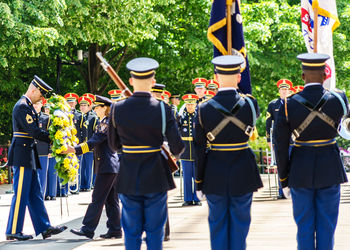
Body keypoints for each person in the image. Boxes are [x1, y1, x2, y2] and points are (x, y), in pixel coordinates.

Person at [108, 57, 184, 250]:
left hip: (128, 174)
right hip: (156, 175)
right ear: (153, 80)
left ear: (131, 80)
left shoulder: (117, 108)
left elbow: (113, 145)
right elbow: (177, 146)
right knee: (155, 231)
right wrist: (173, 155)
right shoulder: (162, 108)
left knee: (131, 232)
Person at [274, 53, 349, 250]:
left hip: (300, 170)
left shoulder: (288, 104)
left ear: (302, 77)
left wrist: (284, 179)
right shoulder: (339, 99)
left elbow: (280, 145)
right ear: (325, 75)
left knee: (304, 227)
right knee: (327, 226)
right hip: (330, 167)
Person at [194, 55, 263, 250]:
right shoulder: (251, 103)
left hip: (214, 170)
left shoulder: (203, 108)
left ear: (215, 78)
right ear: (239, 78)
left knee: (217, 225)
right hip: (243, 169)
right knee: (241, 224)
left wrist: (198, 181)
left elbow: (199, 148)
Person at [6, 75, 67, 241]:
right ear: (33, 90)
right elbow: (34, 131)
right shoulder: (22, 106)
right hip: (23, 153)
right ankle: (13, 229)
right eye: (41, 95)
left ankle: (44, 227)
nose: (41, 99)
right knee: (21, 194)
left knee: (35, 193)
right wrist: (55, 138)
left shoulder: (28, 106)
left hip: (28, 153)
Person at [68, 95, 122, 239]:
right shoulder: (104, 122)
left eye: (98, 107)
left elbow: (93, 141)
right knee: (111, 200)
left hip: (107, 166)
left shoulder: (106, 123)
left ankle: (88, 228)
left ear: (105, 108)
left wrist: (74, 149)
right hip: (109, 165)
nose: (96, 110)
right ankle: (115, 229)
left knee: (97, 198)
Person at [266, 79, 293, 199]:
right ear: (279, 91)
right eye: (282, 89)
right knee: (281, 165)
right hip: (278, 139)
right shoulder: (273, 104)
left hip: (292, 139)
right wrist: (268, 140)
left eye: (286, 89)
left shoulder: (294, 103)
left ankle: (293, 189)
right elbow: (268, 123)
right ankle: (281, 191)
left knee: (293, 165)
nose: (284, 91)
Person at [178, 94, 201, 206]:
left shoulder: (199, 117)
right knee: (187, 176)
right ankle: (187, 198)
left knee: (196, 176)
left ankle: (197, 198)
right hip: (186, 151)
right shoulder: (181, 117)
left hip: (196, 149)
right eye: (187, 104)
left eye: (192, 104)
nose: (190, 106)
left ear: (195, 104)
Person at [79, 95, 98, 191]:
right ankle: (81, 185)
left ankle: (88, 185)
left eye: (84, 105)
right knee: (81, 167)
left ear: (89, 106)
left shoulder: (93, 118)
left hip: (89, 146)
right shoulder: (78, 116)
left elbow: (95, 132)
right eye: (81, 105)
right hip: (80, 146)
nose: (82, 107)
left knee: (89, 166)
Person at [64, 92, 82, 194]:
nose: (70, 104)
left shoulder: (79, 115)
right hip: (66, 143)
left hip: (76, 144)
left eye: (72, 102)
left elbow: (82, 131)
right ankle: (66, 188)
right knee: (66, 165)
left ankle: (76, 187)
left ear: (75, 103)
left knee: (76, 165)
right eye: (68, 102)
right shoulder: (63, 114)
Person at [33, 98, 50, 198]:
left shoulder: (47, 118)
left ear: (41, 105)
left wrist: (50, 149)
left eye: (38, 104)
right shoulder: (28, 116)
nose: (35, 106)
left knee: (42, 175)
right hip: (31, 150)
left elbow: (50, 135)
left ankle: (41, 195)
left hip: (43, 150)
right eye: (34, 104)